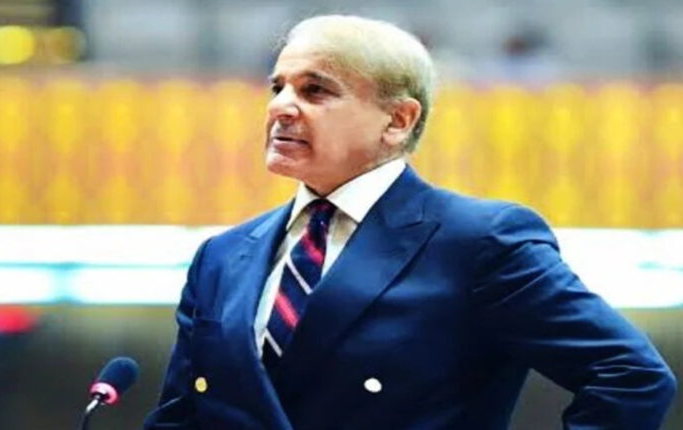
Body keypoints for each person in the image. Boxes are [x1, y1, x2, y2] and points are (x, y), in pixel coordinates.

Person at [144, 15, 676, 430]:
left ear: (398, 121)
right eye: (277, 87)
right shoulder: (222, 256)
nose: (282, 107)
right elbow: (182, 416)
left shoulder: (479, 242)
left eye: (315, 91)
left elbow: (630, 376)